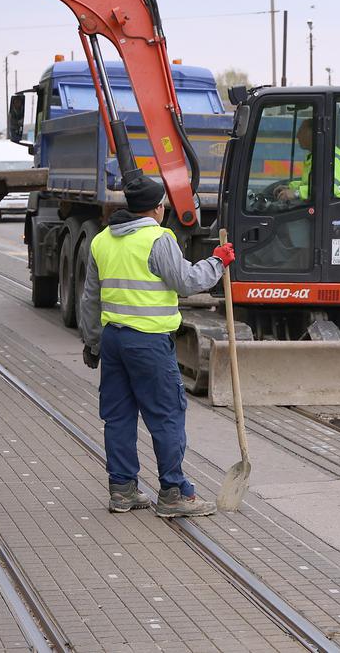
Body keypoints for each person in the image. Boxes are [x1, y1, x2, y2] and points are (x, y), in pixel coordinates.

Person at [80, 177, 235, 517]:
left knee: (118, 416)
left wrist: (92, 342)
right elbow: (187, 282)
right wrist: (218, 261)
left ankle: (122, 490)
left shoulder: (102, 240)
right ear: (157, 209)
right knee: (166, 415)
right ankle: (173, 492)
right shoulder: (158, 238)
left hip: (114, 341)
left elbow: (90, 297)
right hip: (148, 342)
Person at [275, 118, 340, 202]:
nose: (297, 136)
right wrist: (291, 187)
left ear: (313, 134)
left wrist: (297, 193)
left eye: (301, 132)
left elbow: (332, 189)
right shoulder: (317, 155)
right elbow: (311, 184)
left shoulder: (331, 158)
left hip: (336, 206)